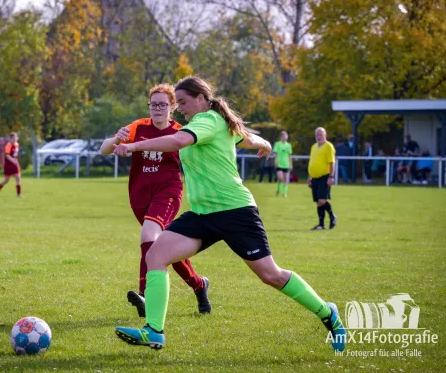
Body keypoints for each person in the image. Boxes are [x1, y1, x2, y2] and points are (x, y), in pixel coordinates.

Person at [113, 76, 346, 352]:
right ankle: (154, 331)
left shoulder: (208, 121)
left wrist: (133, 146)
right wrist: (264, 144)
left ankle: (327, 312)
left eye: (184, 102)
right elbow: (245, 137)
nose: (180, 109)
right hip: (202, 215)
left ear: (201, 99)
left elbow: (177, 142)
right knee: (156, 254)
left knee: (270, 275)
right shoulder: (214, 122)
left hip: (235, 212)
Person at [99, 83, 210, 318]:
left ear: (172, 107)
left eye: (162, 104)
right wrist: (115, 140)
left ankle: (145, 295)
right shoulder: (138, 127)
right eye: (153, 104)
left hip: (168, 193)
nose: (156, 109)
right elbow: (104, 149)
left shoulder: (180, 132)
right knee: (163, 248)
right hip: (139, 195)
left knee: (148, 236)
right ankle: (199, 285)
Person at [308, 128, 337, 230]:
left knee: (322, 200)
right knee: (317, 201)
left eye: (320, 134)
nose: (319, 136)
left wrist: (331, 176)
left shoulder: (329, 146)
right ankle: (321, 224)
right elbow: (312, 162)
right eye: (317, 134)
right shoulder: (313, 147)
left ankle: (332, 216)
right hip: (314, 177)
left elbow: (332, 162)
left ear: (325, 135)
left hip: (324, 176)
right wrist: (309, 176)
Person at [0, 132, 22, 197]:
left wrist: (16, 160)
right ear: (11, 139)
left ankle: (19, 194)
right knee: (6, 180)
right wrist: (13, 161)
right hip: (8, 165)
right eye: (14, 138)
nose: (15, 139)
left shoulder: (17, 144)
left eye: (16, 137)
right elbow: (7, 155)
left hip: (14, 164)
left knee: (18, 178)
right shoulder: (8, 145)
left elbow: (15, 154)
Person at [273, 131, 293, 197]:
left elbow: (290, 155)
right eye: (283, 136)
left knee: (285, 180)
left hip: (286, 164)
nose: (285, 137)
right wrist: (275, 161)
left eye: (286, 136)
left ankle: (284, 193)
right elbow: (275, 153)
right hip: (279, 164)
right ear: (281, 137)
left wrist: (291, 164)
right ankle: (278, 189)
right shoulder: (277, 144)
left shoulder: (289, 145)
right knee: (280, 178)